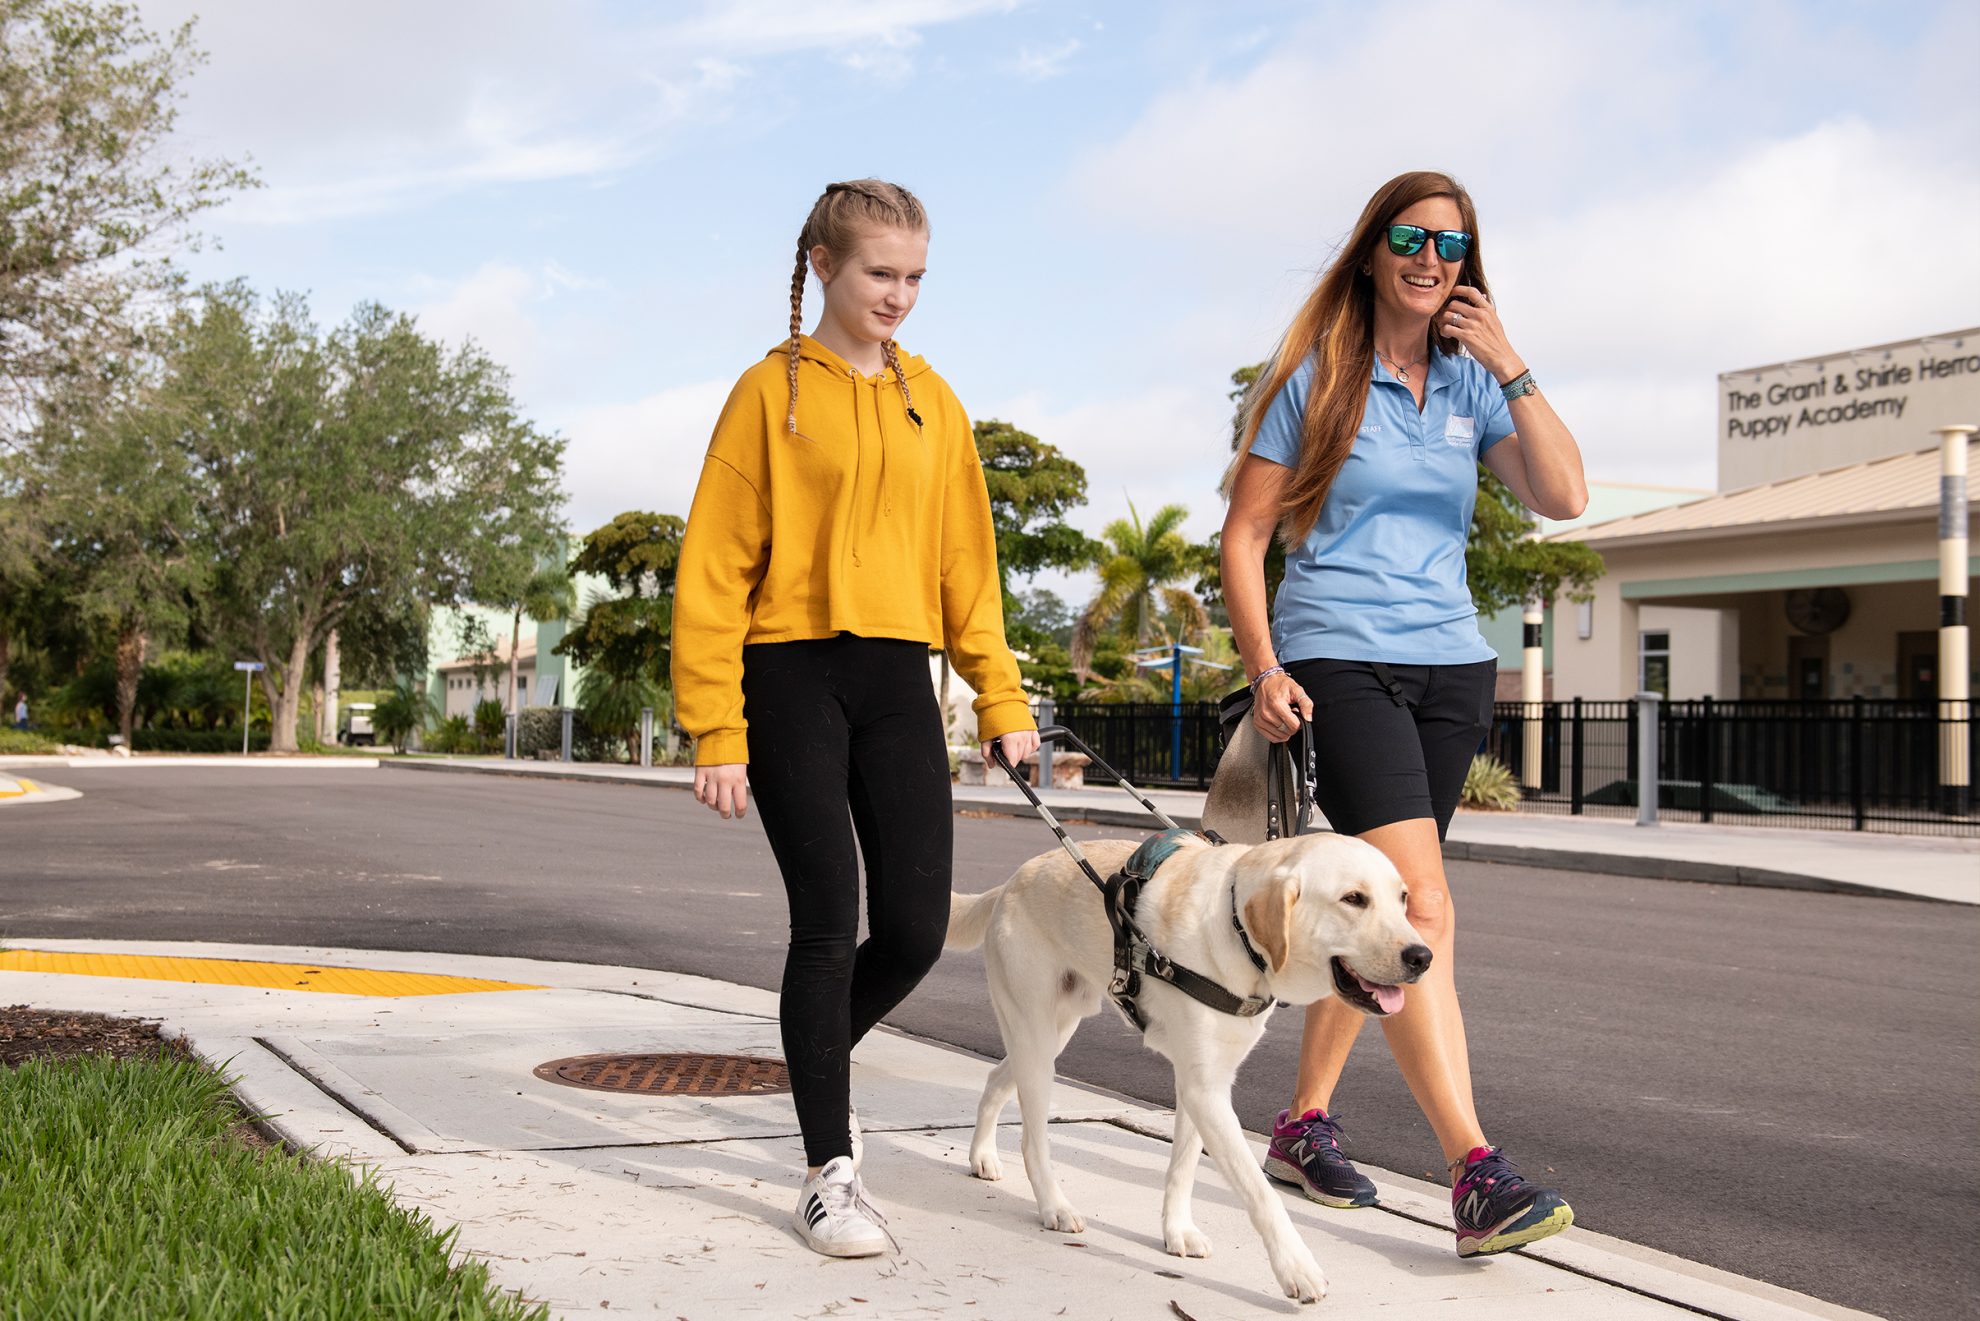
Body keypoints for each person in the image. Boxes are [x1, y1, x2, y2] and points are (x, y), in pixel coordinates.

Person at [1220, 170, 1588, 1258]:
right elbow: (1245, 535)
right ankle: (1476, 1173)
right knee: (1422, 905)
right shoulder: (1317, 380)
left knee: (1379, 917)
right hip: (1340, 655)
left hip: (1451, 670)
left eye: (1452, 245)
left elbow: (1563, 496)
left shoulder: (1476, 388)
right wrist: (1263, 663)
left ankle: (1301, 1125)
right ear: (1373, 251)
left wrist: (1512, 361)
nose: (1431, 259)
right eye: (1410, 238)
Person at [672, 178, 1040, 1259]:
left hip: (897, 681)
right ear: (824, 266)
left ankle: (811, 1062)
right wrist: (716, 726)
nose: (901, 295)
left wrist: (1002, 701)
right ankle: (829, 1168)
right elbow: (713, 567)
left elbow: (969, 568)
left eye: (917, 276)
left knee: (920, 928)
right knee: (828, 919)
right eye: (882, 272)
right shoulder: (766, 393)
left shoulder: (938, 400)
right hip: (788, 674)